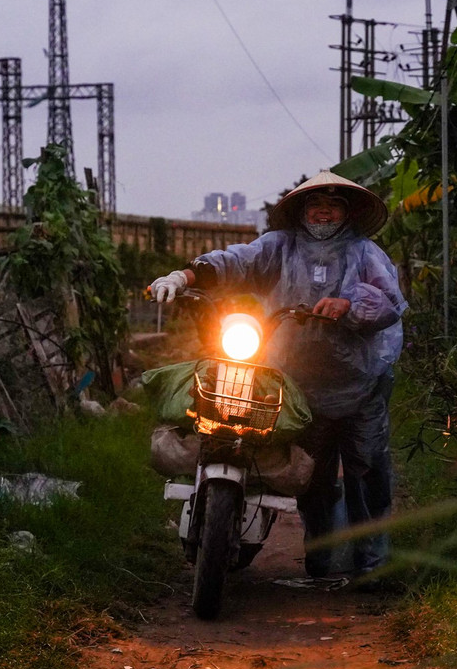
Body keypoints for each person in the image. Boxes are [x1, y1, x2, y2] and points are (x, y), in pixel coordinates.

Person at [149, 171, 407, 579]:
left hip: (360, 385)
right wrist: (184, 276)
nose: (324, 211)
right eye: (316, 204)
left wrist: (349, 304)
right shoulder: (280, 248)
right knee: (312, 478)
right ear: (302, 211)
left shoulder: (365, 252)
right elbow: (237, 260)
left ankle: (373, 566)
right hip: (298, 386)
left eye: (334, 205)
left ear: (347, 213)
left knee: (367, 473)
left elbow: (389, 299)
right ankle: (323, 562)